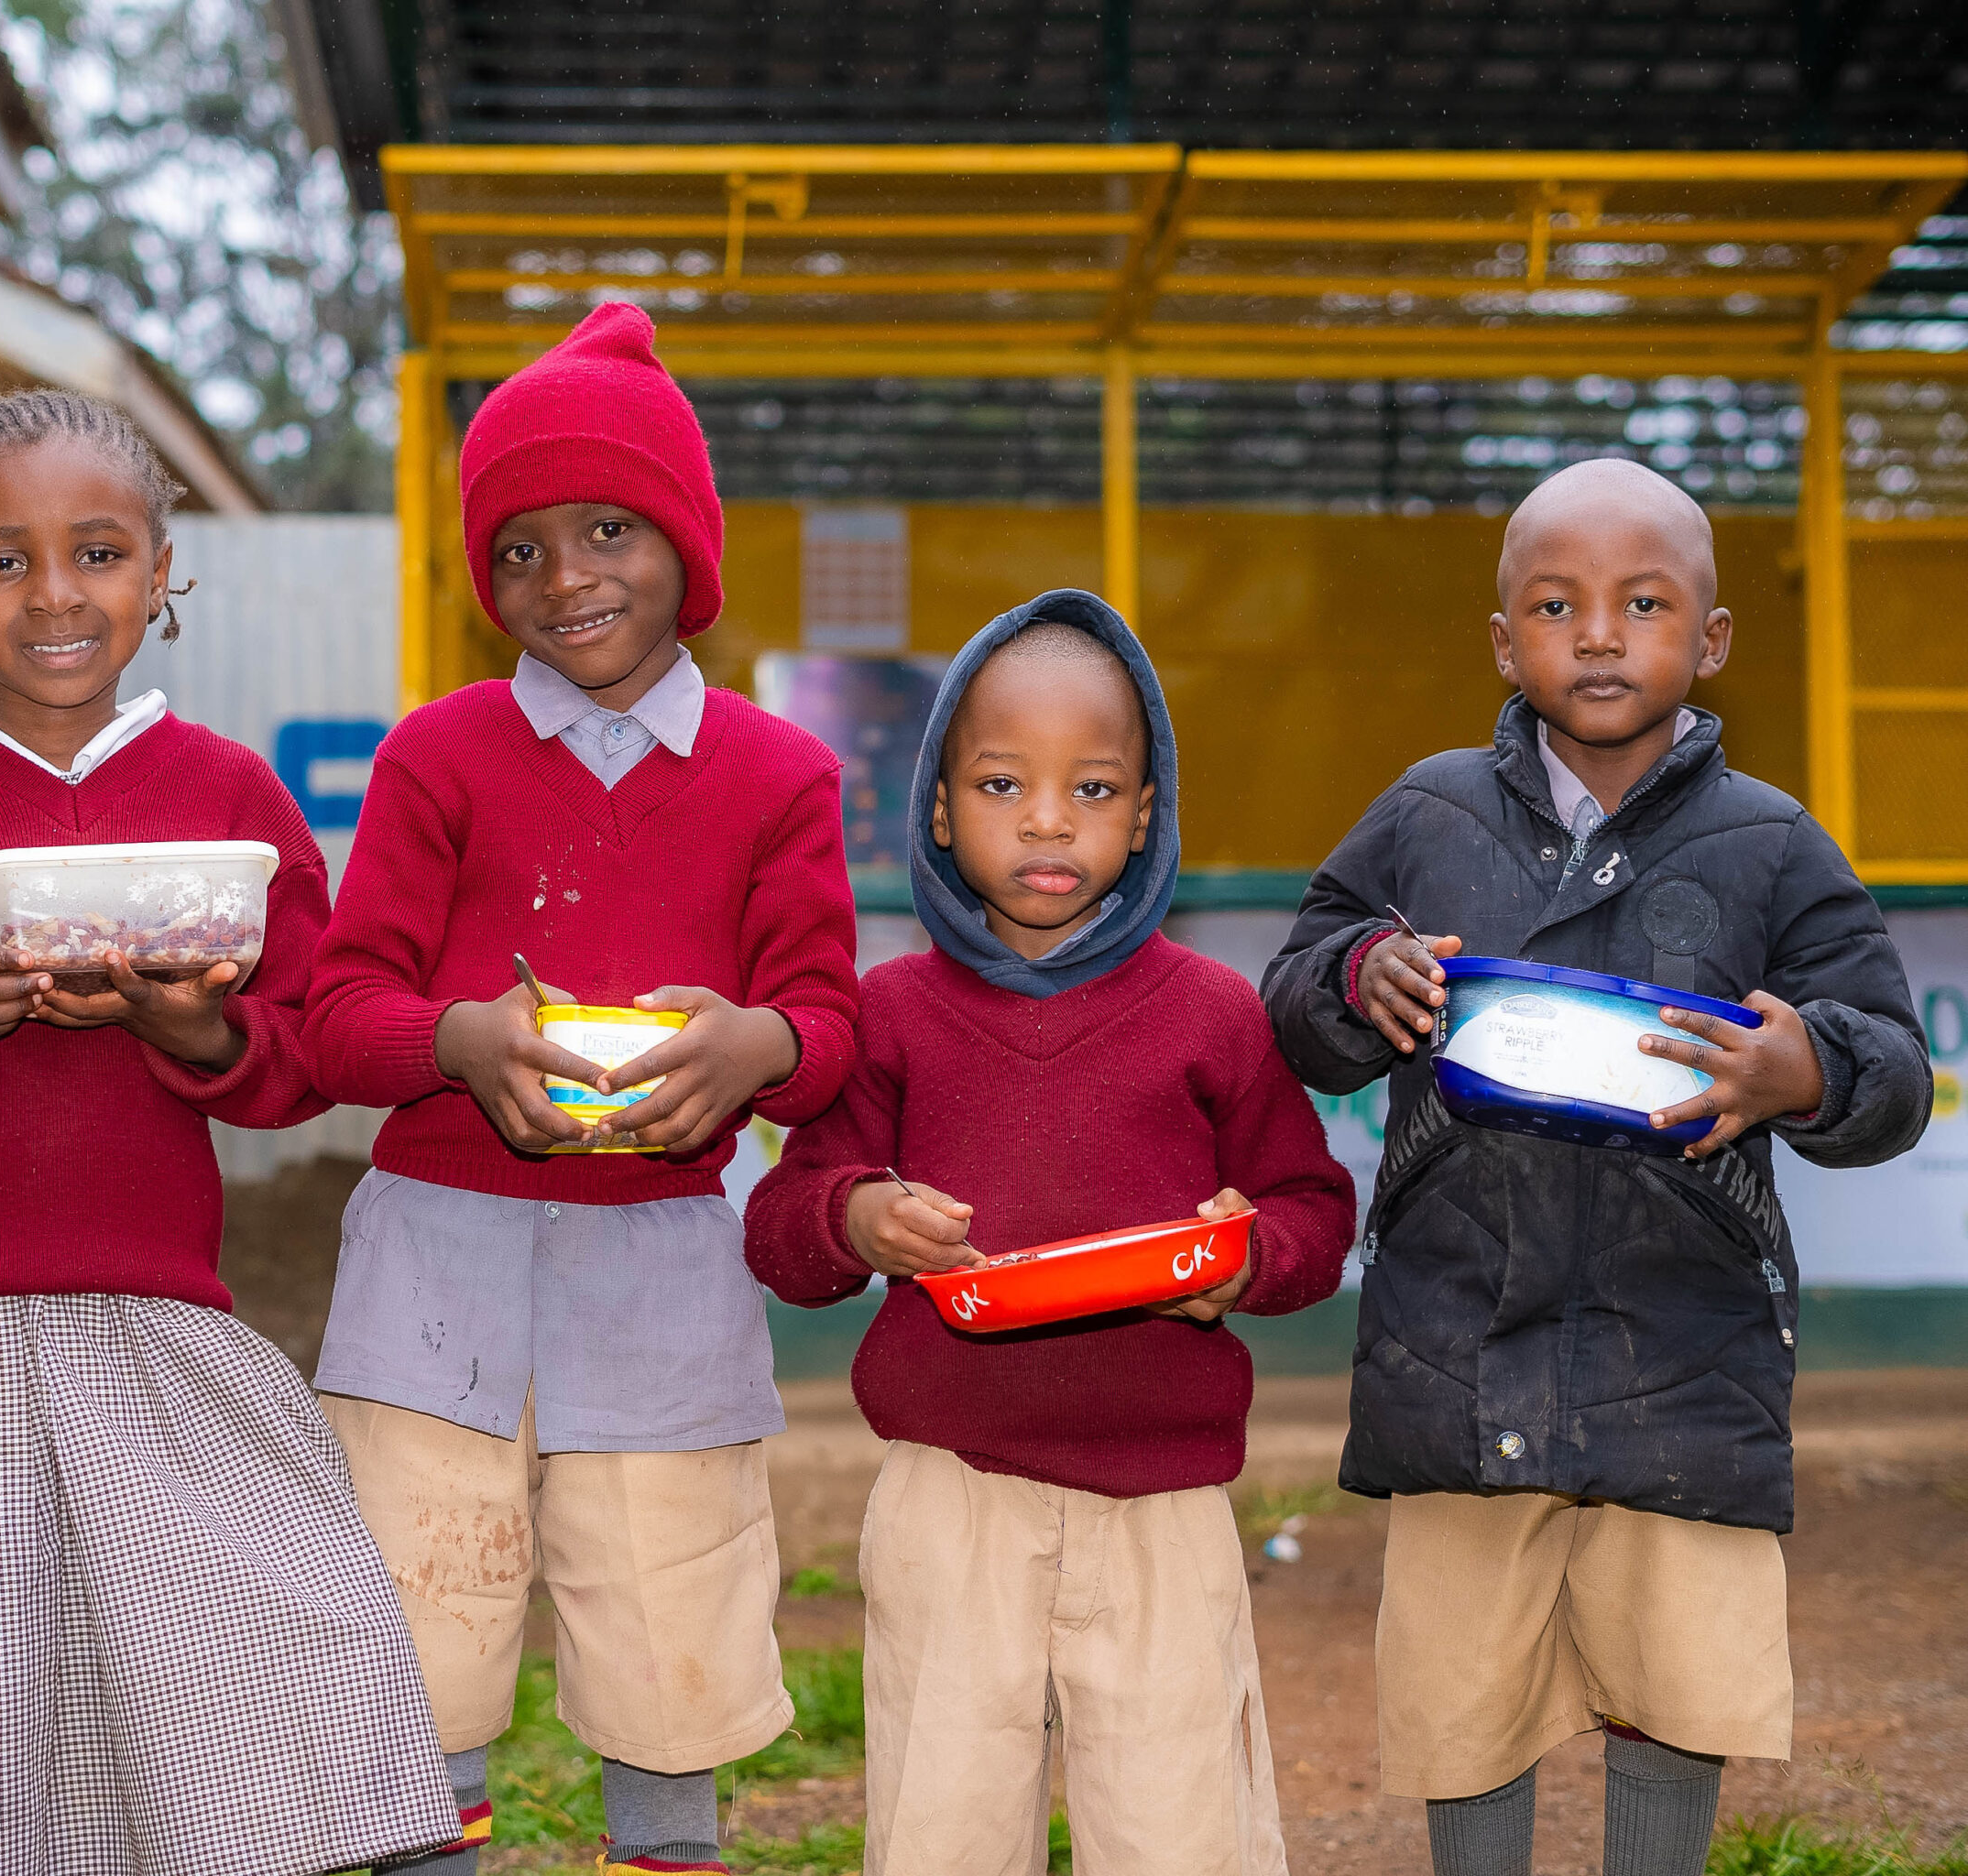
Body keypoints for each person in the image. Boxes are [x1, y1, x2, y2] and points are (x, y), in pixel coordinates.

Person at [0, 391, 456, 1876]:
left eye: (99, 552)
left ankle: (336, 1831)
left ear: (161, 570)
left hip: (150, 1320)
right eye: (3, 562)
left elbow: (303, 1049)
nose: (55, 595)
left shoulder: (230, 800)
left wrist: (198, 1031)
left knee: (235, 1632)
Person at [1262, 458, 1933, 1876]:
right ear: (1507, 642)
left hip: (1684, 1355)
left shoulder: (1769, 844)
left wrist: (1806, 1069)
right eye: (1559, 606)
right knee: (1465, 1694)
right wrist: (1355, 976)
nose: (1604, 634)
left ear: (1712, 637)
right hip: (1460, 1350)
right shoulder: (1426, 814)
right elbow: (1298, 992)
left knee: (1674, 1681)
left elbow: (1890, 1067)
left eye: (1645, 602)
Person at [304, 303, 860, 1875]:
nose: (569, 579)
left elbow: (828, 1020)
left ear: (690, 546)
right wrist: (457, 1043)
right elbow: (339, 1015)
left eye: (610, 528)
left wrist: (759, 1047)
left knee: (670, 1646)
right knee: (421, 1642)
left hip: (663, 1268)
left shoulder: (777, 774)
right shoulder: (437, 758)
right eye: (523, 549)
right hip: (431, 1265)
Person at [744, 590, 1358, 1876]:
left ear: (1143, 818)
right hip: (949, 1500)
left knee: (1181, 1834)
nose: (1044, 819)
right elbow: (784, 1228)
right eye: (1002, 782)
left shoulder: (1214, 1014)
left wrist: (1242, 1258)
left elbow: (1312, 1213)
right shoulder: (890, 1011)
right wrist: (862, 1215)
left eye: (1090, 788)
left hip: (1166, 1510)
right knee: (944, 1834)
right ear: (938, 807)